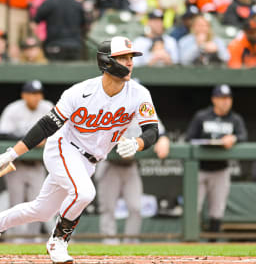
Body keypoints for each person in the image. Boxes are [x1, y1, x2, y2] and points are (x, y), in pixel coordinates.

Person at [0, 36, 160, 264]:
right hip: (63, 148)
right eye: (123, 57)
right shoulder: (80, 92)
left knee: (42, 211)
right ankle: (58, 240)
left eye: (131, 57)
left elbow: (152, 131)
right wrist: (12, 153)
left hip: (89, 161)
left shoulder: (139, 93)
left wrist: (137, 144)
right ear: (107, 62)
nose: (129, 62)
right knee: (84, 193)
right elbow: (46, 125)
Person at [185, 84, 247, 241]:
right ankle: (191, 244)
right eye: (221, 98)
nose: (225, 102)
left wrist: (233, 138)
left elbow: (243, 136)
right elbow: (188, 139)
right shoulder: (202, 116)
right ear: (214, 99)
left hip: (221, 169)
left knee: (217, 210)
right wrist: (208, 142)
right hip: (200, 168)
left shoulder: (235, 119)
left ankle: (212, 246)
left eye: (228, 98)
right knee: (194, 208)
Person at [0, 80, 54, 241]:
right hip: (17, 165)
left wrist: (45, 139)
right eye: (32, 94)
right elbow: (3, 133)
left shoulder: (47, 106)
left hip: (37, 164)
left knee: (38, 203)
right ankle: (14, 239)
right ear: (24, 95)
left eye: (38, 94)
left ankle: (31, 240)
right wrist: (33, 139)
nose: (36, 97)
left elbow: (60, 130)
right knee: (15, 202)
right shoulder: (13, 109)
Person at [97, 120, 170, 245]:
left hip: (131, 166)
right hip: (110, 165)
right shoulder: (110, 104)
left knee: (135, 207)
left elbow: (158, 130)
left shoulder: (141, 106)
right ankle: (109, 243)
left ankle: (131, 243)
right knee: (108, 209)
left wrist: (163, 139)